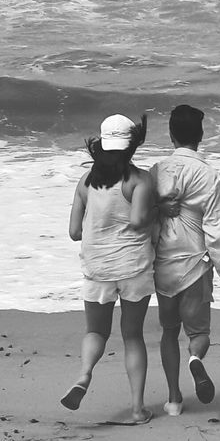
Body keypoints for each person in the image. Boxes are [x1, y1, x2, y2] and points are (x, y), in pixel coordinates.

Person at [150, 105, 220, 415]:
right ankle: (195, 360)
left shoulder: (155, 172)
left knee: (168, 332)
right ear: (201, 136)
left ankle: (174, 399)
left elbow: (140, 218)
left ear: (171, 135)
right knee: (199, 334)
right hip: (194, 268)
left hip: (162, 267)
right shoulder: (209, 176)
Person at [63, 114, 155, 423]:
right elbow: (140, 221)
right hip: (133, 268)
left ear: (101, 145)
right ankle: (138, 409)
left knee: (95, 331)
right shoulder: (138, 180)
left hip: (97, 268)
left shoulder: (86, 182)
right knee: (132, 336)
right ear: (131, 146)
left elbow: (75, 232)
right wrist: (160, 210)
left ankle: (84, 374)